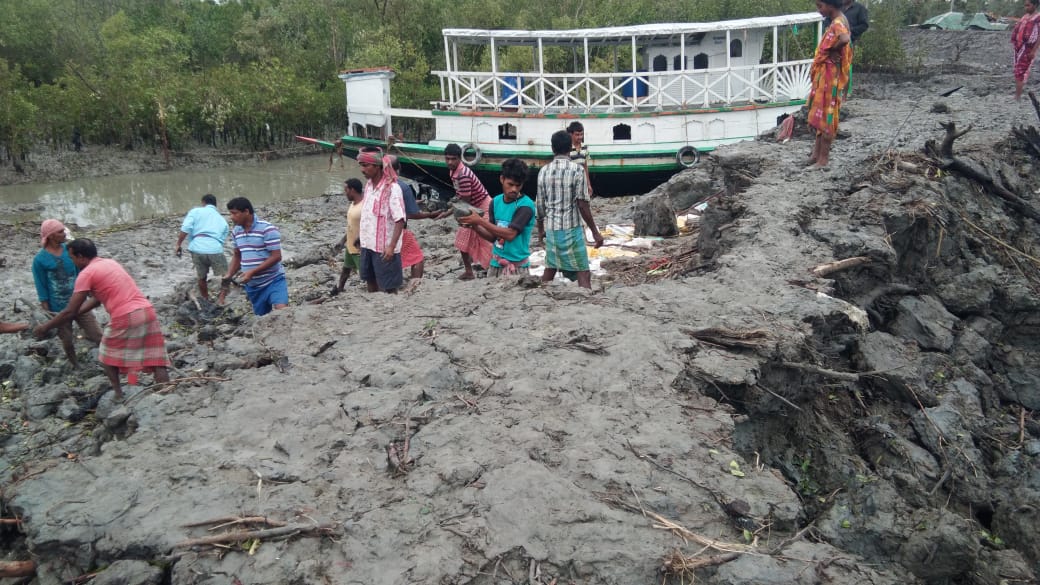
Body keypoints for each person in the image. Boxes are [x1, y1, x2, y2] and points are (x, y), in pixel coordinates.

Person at [33, 239, 171, 400]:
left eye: (72, 258)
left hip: (125, 316)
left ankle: (119, 394)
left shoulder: (86, 274)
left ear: (81, 257)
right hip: (147, 311)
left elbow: (70, 311)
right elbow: (95, 300)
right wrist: (75, 313)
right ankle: (166, 394)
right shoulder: (109, 263)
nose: (72, 261)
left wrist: (45, 327)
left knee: (106, 356)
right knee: (156, 356)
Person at [536, 130, 604, 289]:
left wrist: (541, 231)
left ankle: (541, 292)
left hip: (552, 228)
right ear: (570, 148)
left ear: (552, 149)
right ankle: (586, 296)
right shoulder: (577, 170)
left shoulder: (543, 171)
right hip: (572, 229)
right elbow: (582, 204)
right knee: (582, 269)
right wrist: (594, 231)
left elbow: (540, 206)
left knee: (551, 265)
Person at [32, 219, 103, 367]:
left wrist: (89, 291)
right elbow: (41, 286)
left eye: (63, 230)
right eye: (60, 232)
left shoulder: (70, 251)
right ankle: (75, 364)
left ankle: (110, 359)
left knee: (97, 334)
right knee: (67, 339)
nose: (64, 233)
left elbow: (80, 271)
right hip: (58, 307)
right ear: (50, 236)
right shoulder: (39, 260)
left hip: (79, 302)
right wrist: (46, 310)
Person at [459, 158, 536, 277]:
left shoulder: (525, 205)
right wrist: (474, 226)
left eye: (518, 185)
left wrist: (480, 221)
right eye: (510, 184)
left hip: (517, 268)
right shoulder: (495, 202)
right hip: (495, 264)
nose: (514, 189)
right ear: (502, 179)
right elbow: (493, 237)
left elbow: (510, 234)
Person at [806, 0, 852, 169]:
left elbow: (845, 38)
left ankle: (823, 160)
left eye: (820, 6)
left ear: (831, 5)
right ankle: (815, 155)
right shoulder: (839, 20)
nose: (819, 10)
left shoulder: (838, 23)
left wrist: (832, 50)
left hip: (830, 78)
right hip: (826, 76)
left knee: (827, 116)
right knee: (821, 115)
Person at [389, 155, 450, 280]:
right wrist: (430, 214)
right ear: (399, 168)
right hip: (397, 230)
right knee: (417, 258)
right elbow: (412, 214)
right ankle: (415, 284)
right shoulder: (402, 187)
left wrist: (412, 202)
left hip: (379, 230)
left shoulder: (376, 185)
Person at [226, 197, 289, 315]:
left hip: (273, 280)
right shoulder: (236, 231)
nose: (231, 217)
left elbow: (276, 257)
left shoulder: (267, 229)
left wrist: (252, 272)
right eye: (230, 213)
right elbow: (237, 255)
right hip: (253, 286)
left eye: (235, 213)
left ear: (246, 212)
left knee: (282, 312)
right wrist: (229, 274)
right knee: (262, 320)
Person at [358, 149, 406, 293]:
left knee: (389, 286)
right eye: (361, 165)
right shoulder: (368, 186)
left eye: (366, 165)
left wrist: (391, 246)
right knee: (370, 280)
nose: (362, 169)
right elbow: (368, 216)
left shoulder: (392, 189)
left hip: (384, 248)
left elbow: (400, 220)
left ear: (378, 166)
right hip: (368, 244)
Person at [444, 143, 493, 280]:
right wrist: (448, 211)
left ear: (459, 158)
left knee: (486, 239)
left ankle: (491, 268)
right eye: (447, 159)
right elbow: (460, 196)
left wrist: (449, 212)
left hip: (481, 207)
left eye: (453, 159)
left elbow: (464, 202)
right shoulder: (453, 171)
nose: (450, 162)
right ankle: (470, 271)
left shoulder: (463, 175)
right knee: (463, 238)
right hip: (472, 206)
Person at [175, 194, 230, 303]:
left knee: (201, 277)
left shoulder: (195, 211)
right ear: (215, 205)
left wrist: (178, 244)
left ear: (203, 203)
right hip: (215, 249)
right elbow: (223, 237)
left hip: (197, 248)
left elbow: (186, 228)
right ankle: (222, 298)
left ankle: (205, 299)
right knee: (226, 275)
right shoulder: (222, 219)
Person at [333, 178, 365, 294]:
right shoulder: (353, 204)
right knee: (346, 269)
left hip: (359, 248)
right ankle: (339, 289)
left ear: (352, 190)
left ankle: (377, 293)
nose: (344, 193)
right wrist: (342, 241)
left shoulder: (364, 206)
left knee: (366, 274)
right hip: (350, 245)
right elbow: (351, 226)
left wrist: (361, 240)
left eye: (345, 190)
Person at [1013, 0, 1040, 101]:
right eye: (1025, 6)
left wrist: (1033, 51)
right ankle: (1017, 94)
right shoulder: (1025, 17)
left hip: (1028, 49)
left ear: (1035, 5)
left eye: (1028, 5)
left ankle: (1018, 96)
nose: (1026, 8)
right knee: (1017, 70)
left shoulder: (1038, 18)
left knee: (1021, 71)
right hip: (1019, 47)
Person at [567, 121, 593, 198]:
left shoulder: (585, 147)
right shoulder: (567, 148)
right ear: (571, 134)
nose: (580, 137)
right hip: (570, 182)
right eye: (577, 135)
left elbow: (585, 167)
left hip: (582, 182)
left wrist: (588, 184)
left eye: (581, 134)